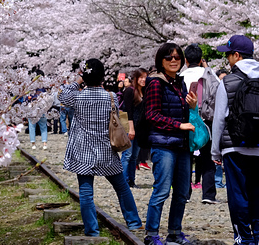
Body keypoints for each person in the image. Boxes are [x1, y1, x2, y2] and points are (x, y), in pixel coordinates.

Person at [60, 59, 143, 235]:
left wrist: (78, 81)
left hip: (83, 151)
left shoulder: (78, 97)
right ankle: (134, 222)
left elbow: (63, 95)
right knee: (121, 187)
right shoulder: (110, 97)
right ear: (103, 76)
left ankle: (92, 231)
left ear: (85, 76)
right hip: (106, 150)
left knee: (85, 192)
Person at [211, 35, 259, 245]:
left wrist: (215, 150)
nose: (228, 59)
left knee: (237, 193)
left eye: (229, 55)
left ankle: (244, 238)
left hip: (233, 147)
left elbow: (219, 119)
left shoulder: (228, 81)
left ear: (236, 55)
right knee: (255, 191)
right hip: (258, 147)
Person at [143, 43, 198, 245]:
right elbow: (151, 115)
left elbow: (182, 113)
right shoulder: (156, 83)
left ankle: (175, 231)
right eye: (169, 57)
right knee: (162, 190)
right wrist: (178, 125)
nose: (174, 60)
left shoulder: (179, 83)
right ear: (161, 61)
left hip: (182, 145)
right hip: (163, 145)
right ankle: (151, 234)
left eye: (177, 57)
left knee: (183, 192)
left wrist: (192, 106)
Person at [181, 44, 219, 204]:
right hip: (206, 122)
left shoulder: (180, 76)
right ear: (201, 59)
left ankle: (185, 193)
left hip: (185, 122)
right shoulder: (210, 75)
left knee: (186, 157)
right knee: (208, 158)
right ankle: (208, 194)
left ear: (186, 60)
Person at [121, 67, 149, 187]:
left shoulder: (145, 91)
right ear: (136, 78)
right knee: (127, 155)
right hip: (130, 127)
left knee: (134, 156)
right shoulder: (130, 91)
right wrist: (131, 129)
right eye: (141, 77)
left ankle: (131, 180)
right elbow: (129, 111)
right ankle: (123, 181)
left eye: (145, 77)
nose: (143, 80)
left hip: (140, 128)